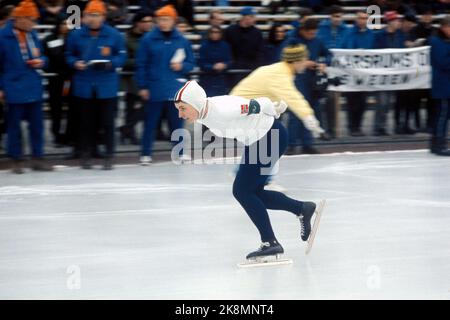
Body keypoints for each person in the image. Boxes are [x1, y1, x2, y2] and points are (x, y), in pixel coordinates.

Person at [174, 80, 324, 261]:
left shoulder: (221, 111)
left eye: (183, 108)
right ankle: (302, 208)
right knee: (253, 192)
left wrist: (272, 109)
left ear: (195, 103)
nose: (180, 114)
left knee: (242, 191)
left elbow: (259, 104)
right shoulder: (207, 111)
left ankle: (270, 242)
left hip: (269, 137)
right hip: (260, 139)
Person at [65, 0, 127, 170]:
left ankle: (109, 155)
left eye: (96, 15)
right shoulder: (76, 35)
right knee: (85, 123)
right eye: (90, 15)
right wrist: (75, 63)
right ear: (84, 17)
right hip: (84, 86)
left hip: (106, 86)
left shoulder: (114, 35)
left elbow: (122, 56)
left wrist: (109, 64)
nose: (93, 19)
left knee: (108, 123)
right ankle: (86, 154)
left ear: (103, 16)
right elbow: (68, 55)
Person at [136, 4, 195, 164]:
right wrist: (142, 86)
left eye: (166, 19)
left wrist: (182, 66)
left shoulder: (182, 40)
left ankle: (181, 152)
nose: (163, 22)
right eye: (160, 19)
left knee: (177, 124)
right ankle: (145, 154)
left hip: (175, 90)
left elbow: (191, 62)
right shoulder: (148, 39)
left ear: (173, 20)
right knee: (150, 124)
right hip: (154, 88)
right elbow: (141, 64)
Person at [0, 0, 53, 174]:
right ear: (20, 18)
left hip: (33, 85)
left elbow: (43, 56)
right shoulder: (2, 36)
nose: (34, 24)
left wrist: (41, 62)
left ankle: (38, 158)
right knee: (14, 126)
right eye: (32, 20)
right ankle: (16, 159)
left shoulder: (33, 35)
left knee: (37, 126)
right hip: (13, 87)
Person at [119, 10, 153, 145]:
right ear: (137, 23)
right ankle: (129, 132)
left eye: (150, 21)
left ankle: (126, 129)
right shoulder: (127, 39)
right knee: (131, 107)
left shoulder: (151, 37)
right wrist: (141, 61)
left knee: (145, 107)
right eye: (145, 21)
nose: (149, 24)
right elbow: (124, 60)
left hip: (147, 77)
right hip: (131, 79)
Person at [429, 16, 450, 156]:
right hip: (443, 86)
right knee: (442, 116)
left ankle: (438, 142)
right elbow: (443, 62)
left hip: (446, 85)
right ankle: (438, 144)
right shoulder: (436, 41)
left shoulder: (443, 41)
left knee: (444, 115)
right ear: (444, 27)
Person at [198, 26, 232, 97]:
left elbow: (229, 61)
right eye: (212, 32)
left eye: (217, 32)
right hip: (207, 80)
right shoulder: (204, 46)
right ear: (209, 34)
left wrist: (224, 65)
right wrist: (213, 67)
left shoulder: (226, 46)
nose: (214, 34)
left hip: (221, 81)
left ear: (221, 34)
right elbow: (201, 63)